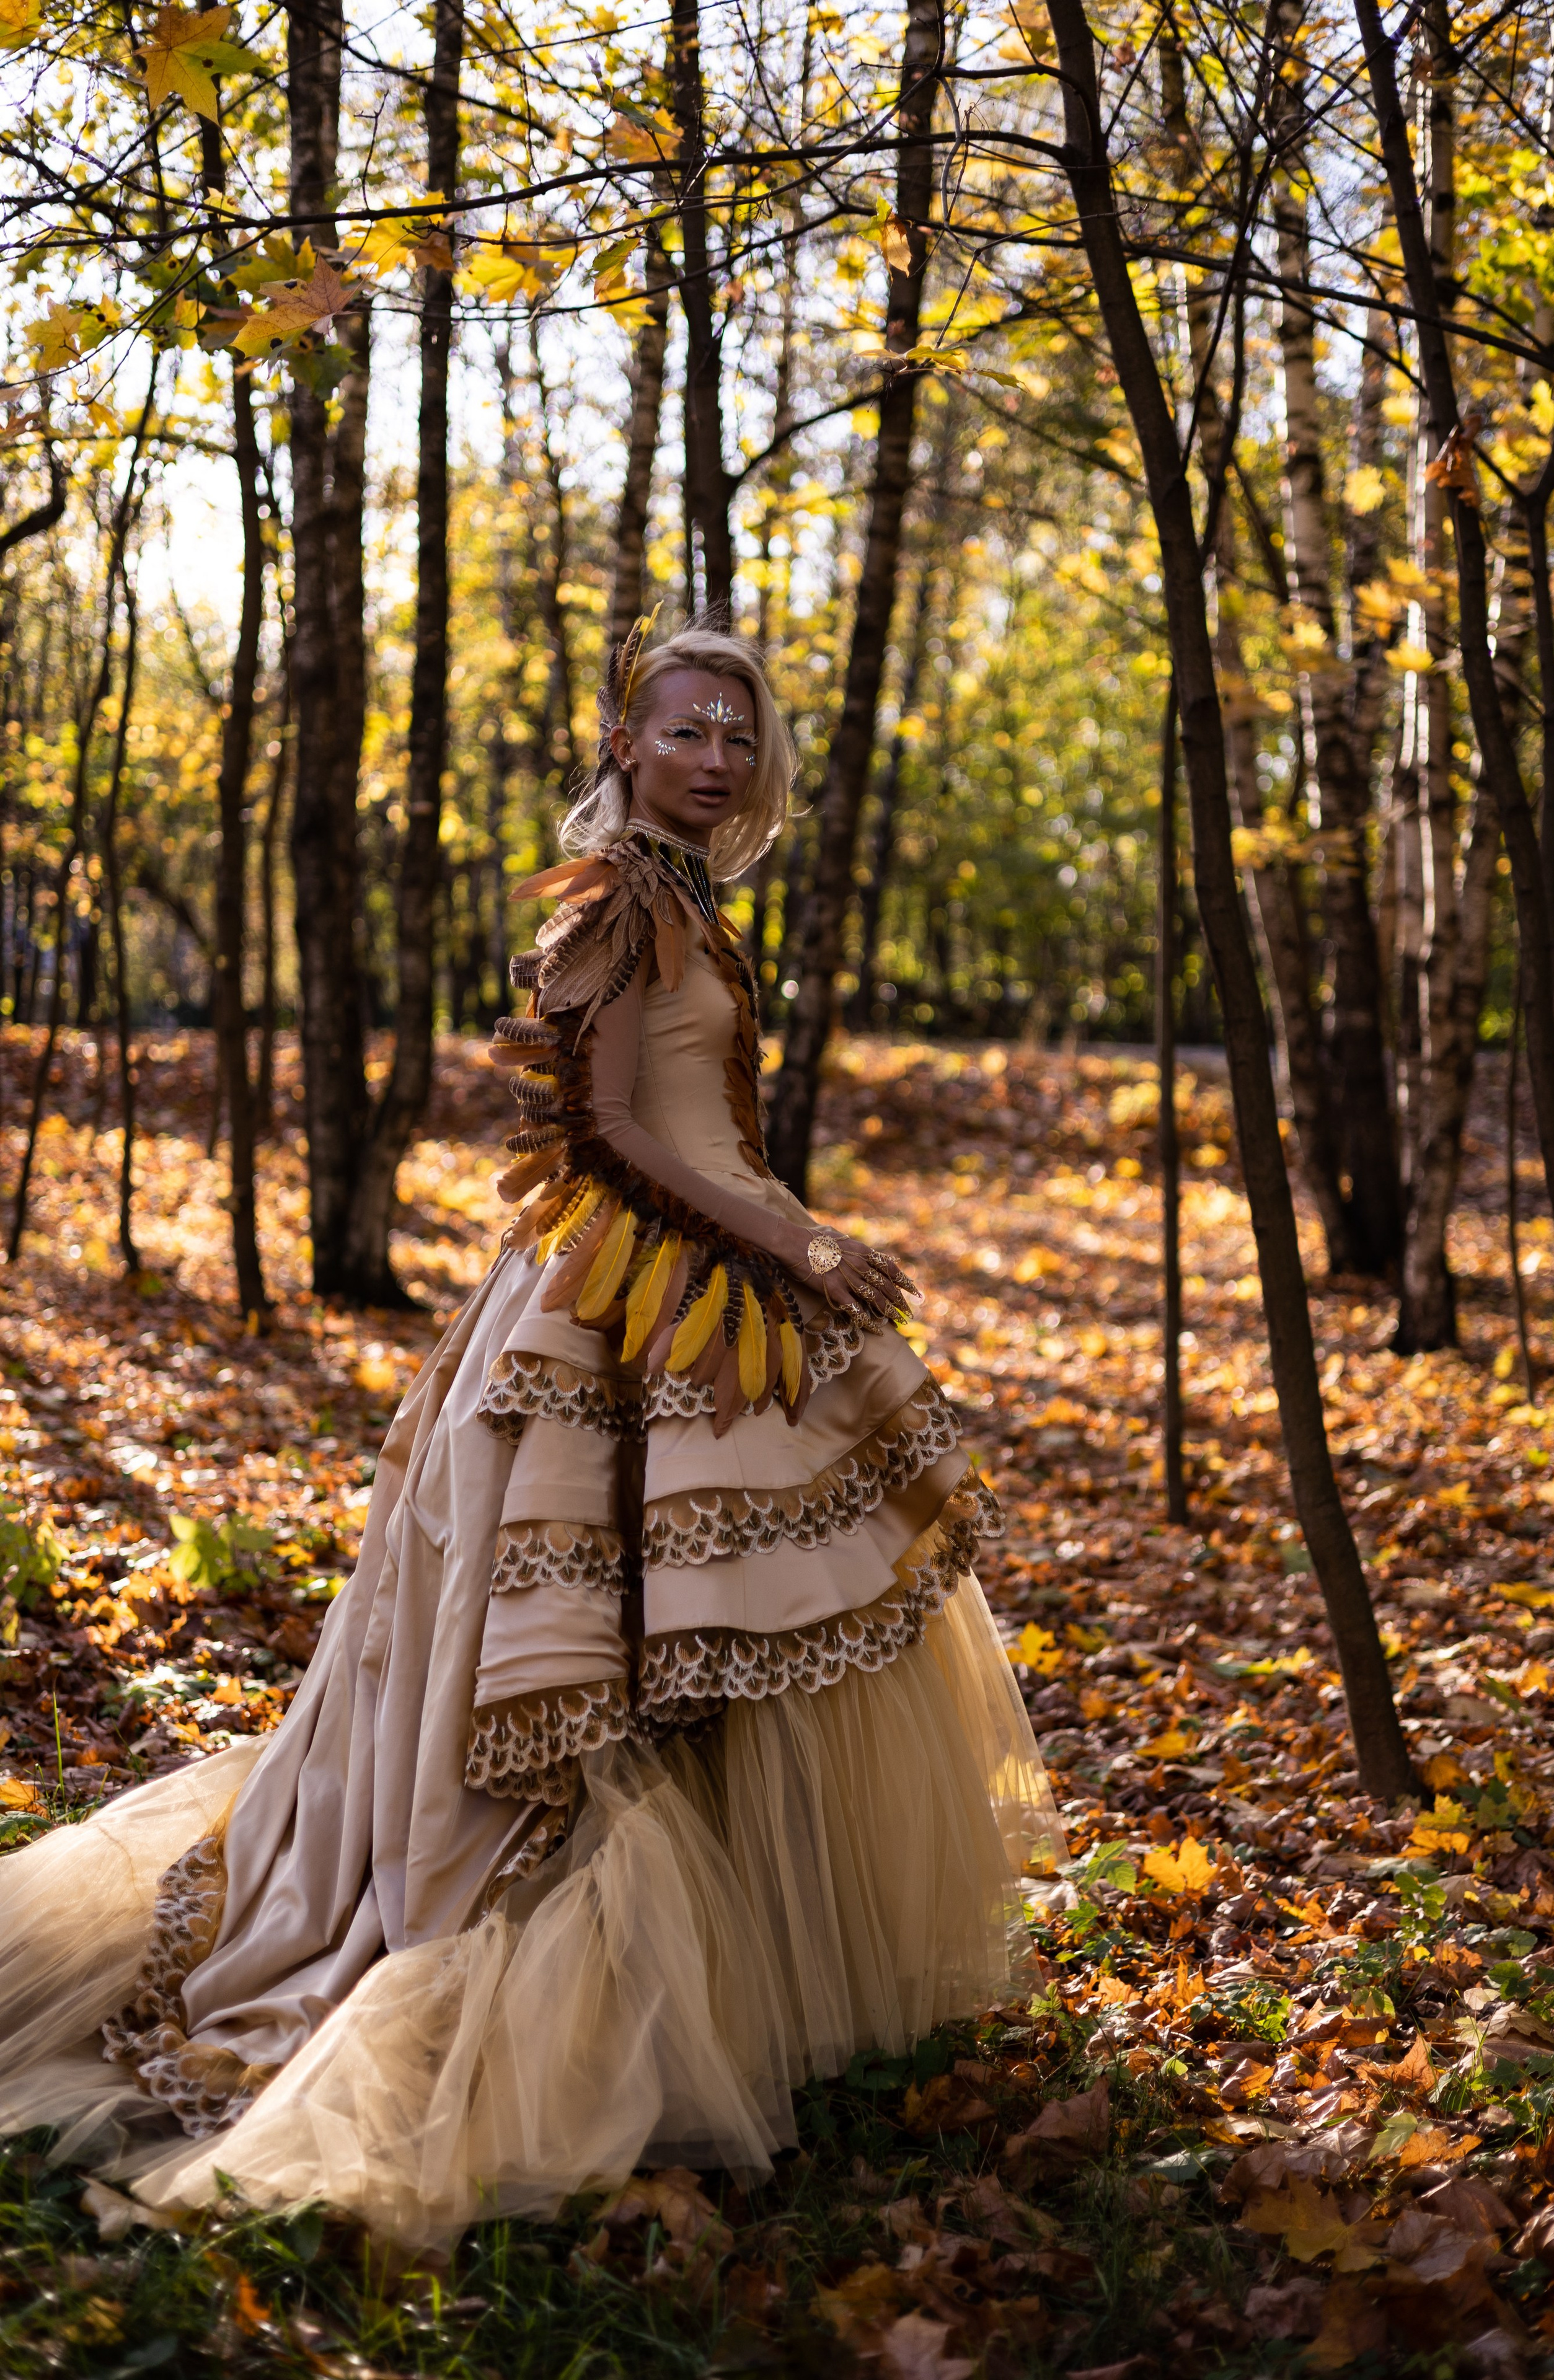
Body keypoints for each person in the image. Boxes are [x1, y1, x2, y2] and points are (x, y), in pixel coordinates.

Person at [0, 622, 1062, 2249]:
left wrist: (780, 1244)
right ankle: (563, 1987)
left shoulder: (686, 900)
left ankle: (748, 1992)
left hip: (699, 1275)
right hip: (617, 1297)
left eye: (740, 733)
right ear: (623, 743)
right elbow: (615, 1127)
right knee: (606, 1671)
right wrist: (798, 1246)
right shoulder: (622, 903)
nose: (716, 755)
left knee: (738, 1636)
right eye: (687, 729)